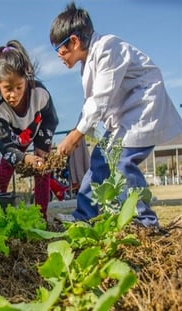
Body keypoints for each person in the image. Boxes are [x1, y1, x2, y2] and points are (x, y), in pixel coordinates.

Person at [49, 2, 182, 227]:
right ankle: (84, 215)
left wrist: (74, 137)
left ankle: (145, 221)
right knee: (100, 160)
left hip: (143, 113)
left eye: (59, 49)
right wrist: (76, 130)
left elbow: (100, 100)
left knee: (121, 162)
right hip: (126, 119)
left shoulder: (108, 47)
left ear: (74, 41)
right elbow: (90, 104)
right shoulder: (88, 63)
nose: (59, 56)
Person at [0, 40, 59, 219]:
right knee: (5, 168)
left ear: (26, 81)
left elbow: (51, 119)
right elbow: (5, 146)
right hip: (15, 142)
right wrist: (24, 158)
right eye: (7, 89)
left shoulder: (39, 93)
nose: (13, 94)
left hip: (36, 131)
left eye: (19, 87)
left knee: (42, 168)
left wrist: (41, 147)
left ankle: (41, 216)